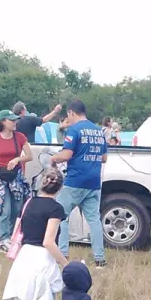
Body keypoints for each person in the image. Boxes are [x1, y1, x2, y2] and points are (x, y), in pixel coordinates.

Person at [0, 168, 70, 300]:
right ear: (60, 188)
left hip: (25, 257)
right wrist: (66, 264)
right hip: (41, 261)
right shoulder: (56, 209)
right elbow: (49, 240)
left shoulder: (29, 202)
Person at [50, 100, 108, 267]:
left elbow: (66, 155)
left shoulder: (74, 130)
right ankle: (100, 259)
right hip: (94, 182)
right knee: (94, 221)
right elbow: (104, 158)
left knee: (60, 215)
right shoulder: (98, 131)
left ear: (71, 113)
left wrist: (54, 157)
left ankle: (61, 255)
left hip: (75, 181)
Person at [0, 110, 32, 253]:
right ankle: (3, 239)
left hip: (15, 177)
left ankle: (13, 236)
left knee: (16, 208)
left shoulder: (20, 137)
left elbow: (29, 156)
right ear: (3, 122)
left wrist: (18, 159)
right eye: (12, 120)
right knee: (4, 209)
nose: (15, 122)